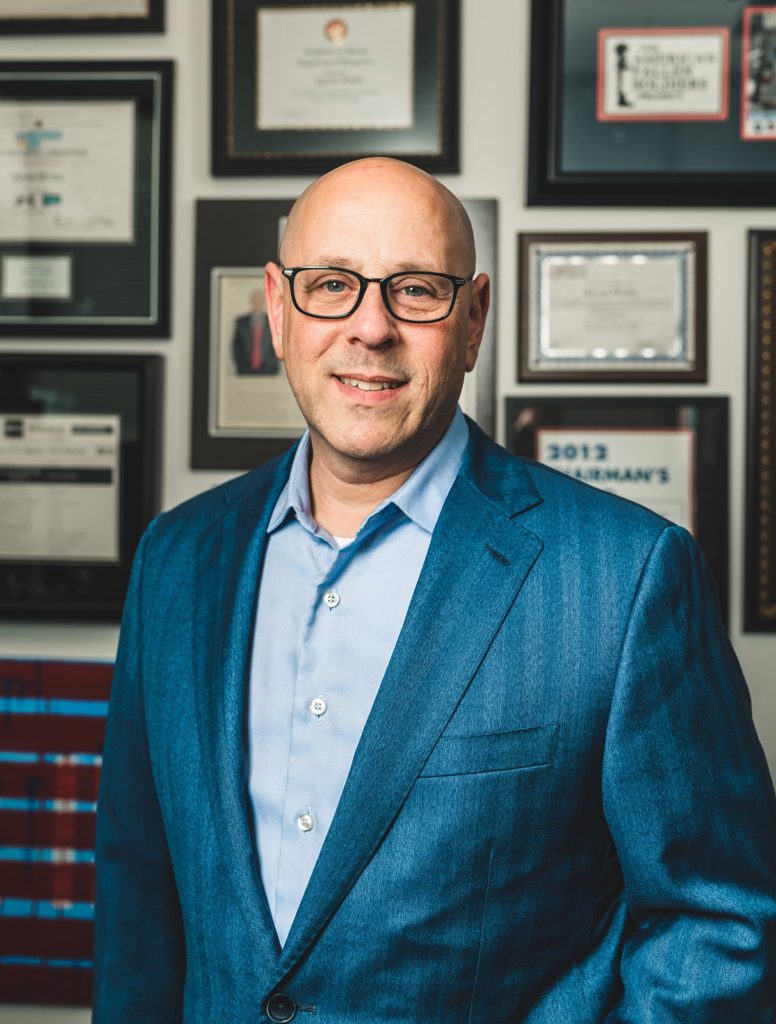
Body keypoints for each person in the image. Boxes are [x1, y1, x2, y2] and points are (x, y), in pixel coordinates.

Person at [93, 158, 776, 1023]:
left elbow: (717, 920)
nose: (369, 328)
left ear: (474, 318)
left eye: (415, 290)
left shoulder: (625, 575)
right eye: (331, 284)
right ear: (277, 305)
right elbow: (136, 899)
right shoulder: (178, 559)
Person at [231, 286, 279, 375]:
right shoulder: (241, 322)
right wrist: (241, 366)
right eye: (255, 300)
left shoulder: (273, 320)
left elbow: (277, 344)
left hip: (269, 372)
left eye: (260, 300)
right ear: (251, 301)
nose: (257, 302)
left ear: (263, 301)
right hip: (245, 371)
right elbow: (236, 347)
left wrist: (272, 365)